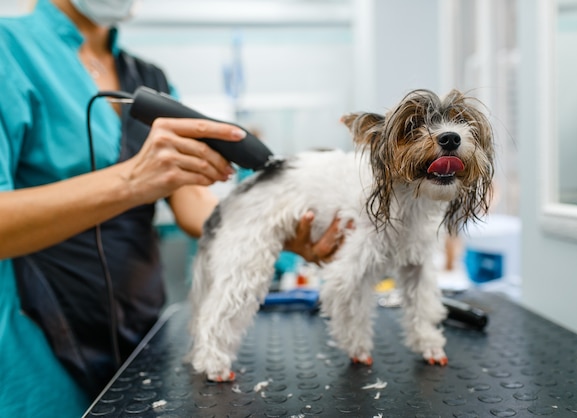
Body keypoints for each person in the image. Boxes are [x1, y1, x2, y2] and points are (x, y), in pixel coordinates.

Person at [0, 0, 346, 416]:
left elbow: (192, 203)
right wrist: (132, 180)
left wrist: (270, 229)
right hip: (38, 342)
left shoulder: (147, 78)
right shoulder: (9, 51)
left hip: (142, 330)